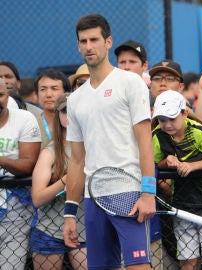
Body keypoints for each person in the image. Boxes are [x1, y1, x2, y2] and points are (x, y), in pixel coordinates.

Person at [62, 13, 156, 270]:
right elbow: (77, 159)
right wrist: (70, 213)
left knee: (139, 267)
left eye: (94, 39)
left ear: (107, 42)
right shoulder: (75, 100)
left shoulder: (130, 82)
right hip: (93, 200)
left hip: (129, 192)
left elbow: (145, 141)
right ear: (78, 45)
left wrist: (148, 192)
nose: (89, 46)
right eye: (83, 41)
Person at [152, 90, 202, 270]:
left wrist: (192, 166)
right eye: (162, 120)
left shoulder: (198, 132)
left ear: (184, 113)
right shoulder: (157, 136)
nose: (167, 124)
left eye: (172, 118)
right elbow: (155, 164)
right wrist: (166, 162)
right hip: (182, 204)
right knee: (188, 260)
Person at [115, 39, 162, 270]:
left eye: (132, 62)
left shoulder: (150, 97)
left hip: (145, 185)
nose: (126, 66)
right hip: (116, 186)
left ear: (144, 65)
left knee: (150, 253)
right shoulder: (108, 95)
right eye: (121, 62)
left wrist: (148, 190)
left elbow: (147, 146)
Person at [30, 93, 87, 270]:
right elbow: (37, 198)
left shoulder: (93, 148)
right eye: (65, 111)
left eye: (74, 111)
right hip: (49, 230)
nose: (69, 116)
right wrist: (66, 180)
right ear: (58, 115)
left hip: (84, 230)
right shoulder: (49, 152)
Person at [0, 78, 41, 269]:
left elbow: (28, 165)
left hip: (15, 208)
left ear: (7, 95)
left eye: (0, 95)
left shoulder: (24, 118)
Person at [35, 68, 71, 149]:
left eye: (54, 88)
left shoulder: (76, 123)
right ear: (37, 94)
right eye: (43, 89)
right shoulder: (30, 126)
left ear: (66, 93)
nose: (48, 94)